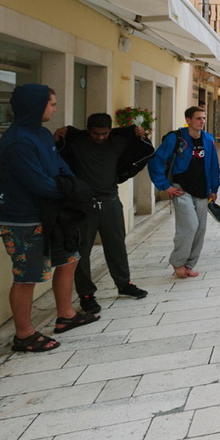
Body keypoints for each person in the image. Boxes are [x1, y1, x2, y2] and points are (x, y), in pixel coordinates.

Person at [0, 84, 99, 352]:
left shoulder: (42, 135)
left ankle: (66, 315)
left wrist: (70, 185)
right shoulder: (17, 141)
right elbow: (39, 183)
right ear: (36, 105)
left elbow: (59, 167)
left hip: (53, 213)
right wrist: (70, 191)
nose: (55, 108)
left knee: (69, 259)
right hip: (25, 219)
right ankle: (24, 335)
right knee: (27, 276)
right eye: (52, 104)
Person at [55, 113, 152, 314]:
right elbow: (59, 149)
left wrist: (141, 135)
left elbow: (141, 148)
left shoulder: (118, 140)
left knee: (116, 246)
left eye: (104, 133)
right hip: (84, 205)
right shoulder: (77, 141)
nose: (100, 137)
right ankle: (86, 295)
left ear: (110, 130)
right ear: (88, 130)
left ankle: (124, 284)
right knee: (82, 251)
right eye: (96, 134)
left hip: (111, 202)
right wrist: (58, 137)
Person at [148, 106, 220, 278]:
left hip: (202, 190)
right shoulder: (176, 138)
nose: (202, 121)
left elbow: (212, 165)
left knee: (200, 229)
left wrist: (214, 188)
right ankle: (177, 261)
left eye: (203, 118)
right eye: (198, 118)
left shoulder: (208, 139)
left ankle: (189, 264)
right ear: (188, 120)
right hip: (182, 190)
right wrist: (165, 186)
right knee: (189, 226)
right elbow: (156, 161)